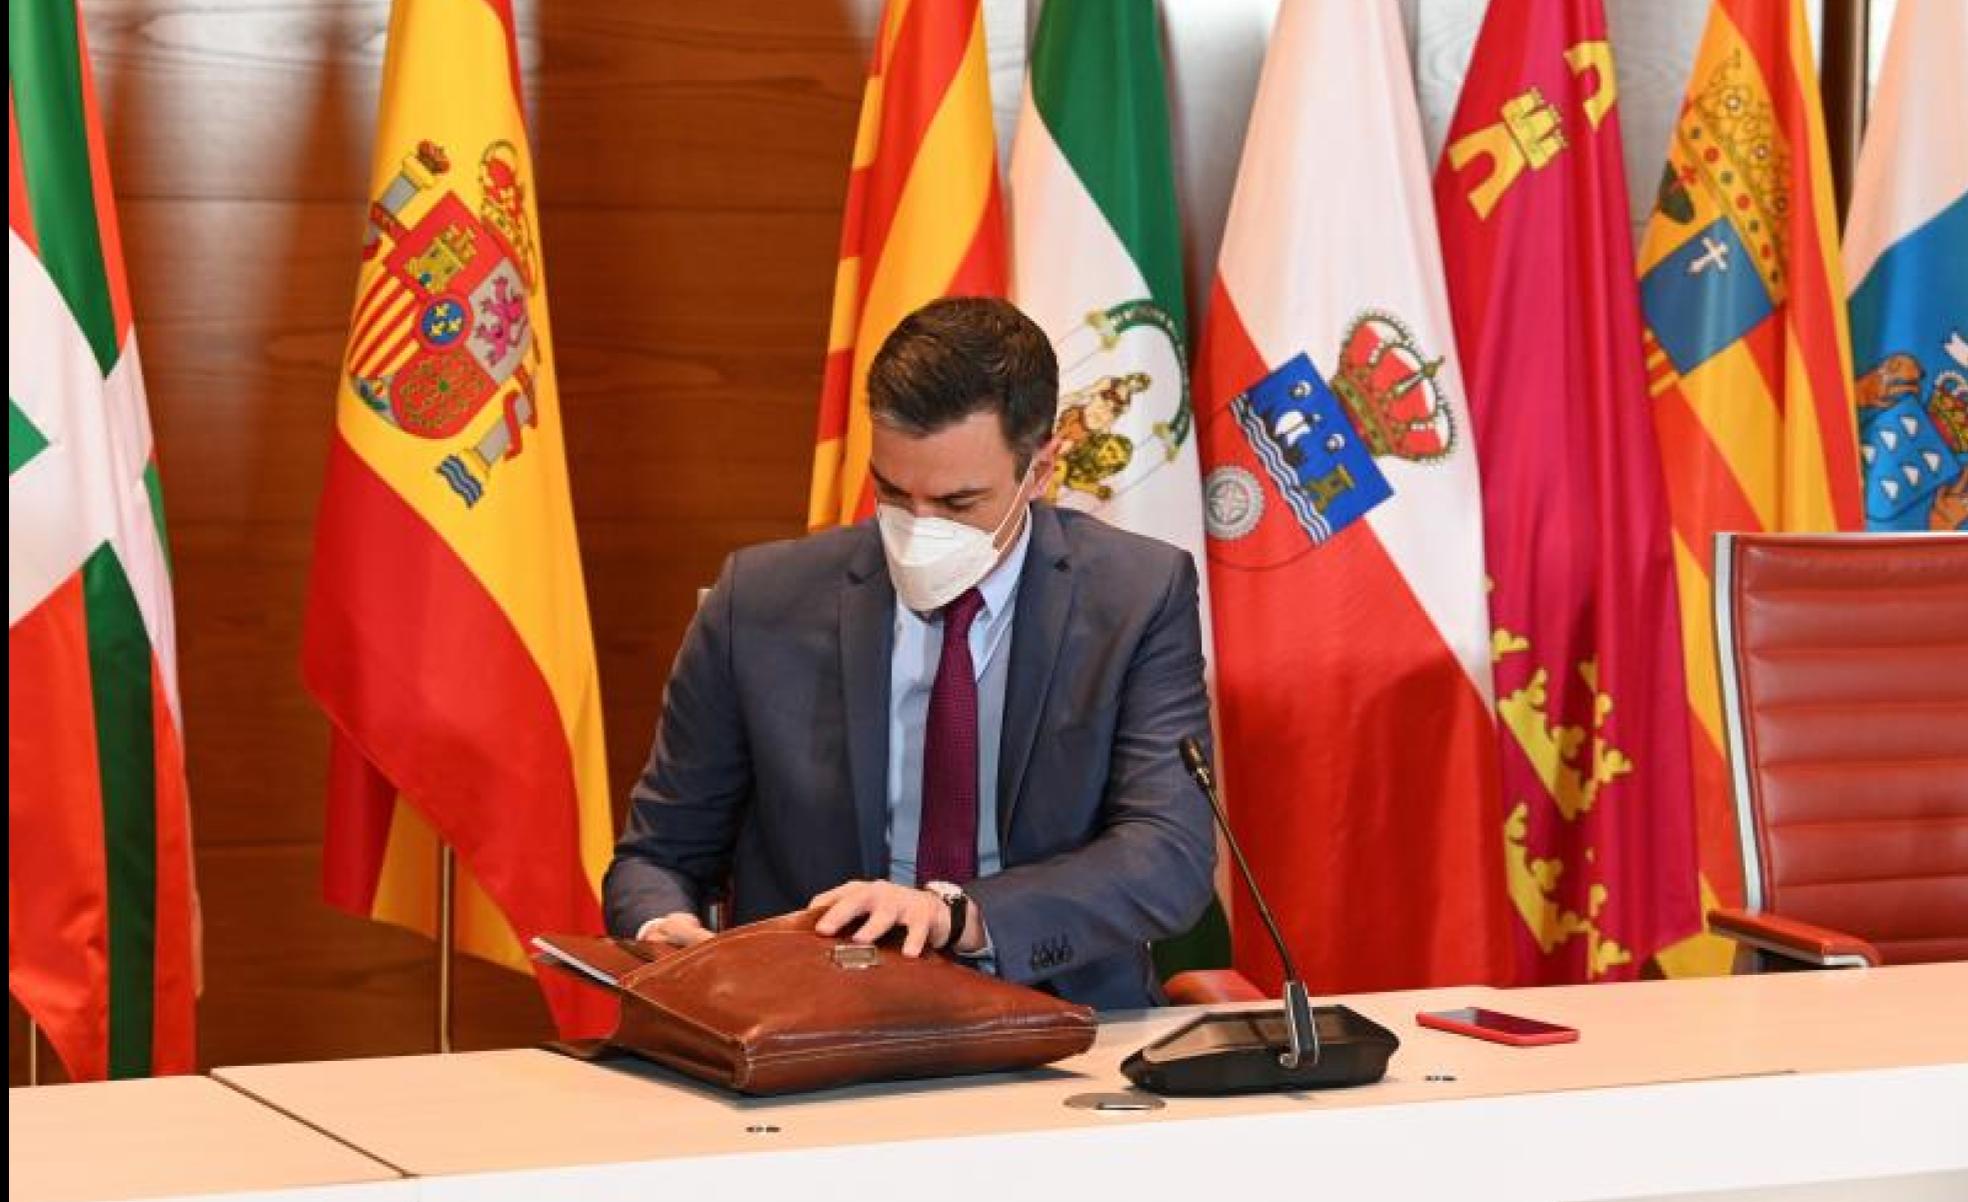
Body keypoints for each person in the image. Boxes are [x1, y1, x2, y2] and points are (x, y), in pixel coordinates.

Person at [604, 296, 1215, 1009]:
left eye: (958, 504)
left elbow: (1167, 855)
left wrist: (960, 916)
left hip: (1060, 1016)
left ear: (1040, 469)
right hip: (815, 1019)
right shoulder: (759, 601)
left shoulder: (1137, 596)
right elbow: (658, 855)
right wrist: (661, 926)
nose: (919, 528)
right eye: (892, 493)